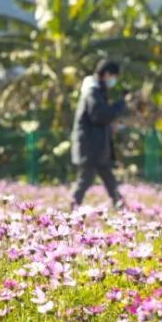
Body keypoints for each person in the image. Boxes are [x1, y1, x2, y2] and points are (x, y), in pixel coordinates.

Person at [69, 59, 130, 211]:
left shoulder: (96, 91)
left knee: (108, 177)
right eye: (113, 76)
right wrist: (120, 104)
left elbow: (98, 119)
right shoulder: (92, 91)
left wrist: (110, 127)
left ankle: (120, 205)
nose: (113, 80)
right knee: (86, 178)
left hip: (96, 146)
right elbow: (99, 116)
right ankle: (73, 206)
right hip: (90, 146)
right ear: (107, 74)